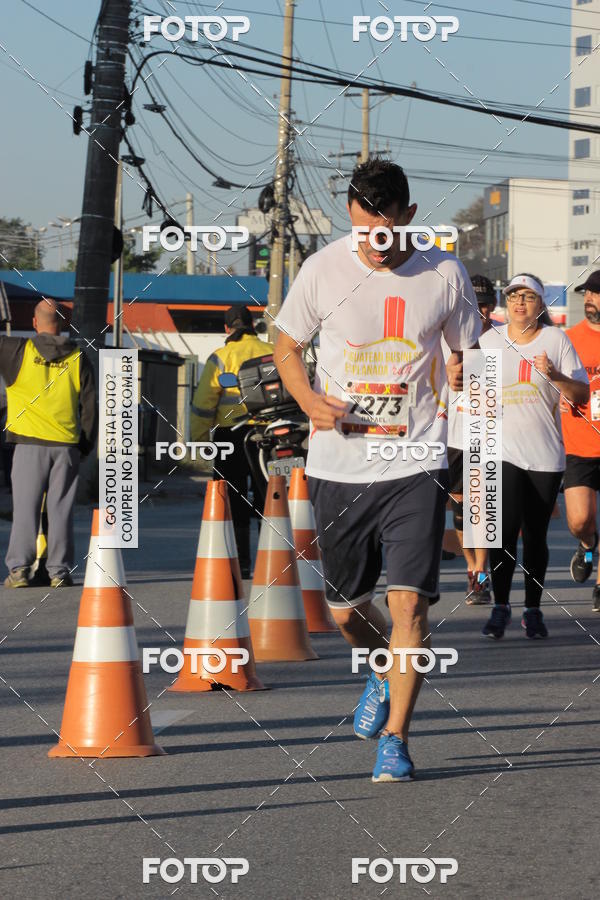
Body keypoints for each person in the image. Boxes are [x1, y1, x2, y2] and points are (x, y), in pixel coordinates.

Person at [273, 157, 481, 782]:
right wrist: (309, 400)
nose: (376, 245)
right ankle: (376, 668)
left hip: (416, 458)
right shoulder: (322, 269)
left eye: (387, 231)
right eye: (365, 231)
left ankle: (396, 739)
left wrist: (466, 377)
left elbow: (466, 350)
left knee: (409, 608)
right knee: (344, 610)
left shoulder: (445, 273)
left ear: (410, 217)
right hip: (339, 463)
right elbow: (286, 345)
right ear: (352, 218)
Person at [479, 274, 589, 639]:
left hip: (544, 454)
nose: (520, 303)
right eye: (513, 296)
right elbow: (473, 400)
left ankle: (532, 609)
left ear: (540, 304)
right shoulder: (489, 341)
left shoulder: (556, 340)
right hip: (502, 452)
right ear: (505, 302)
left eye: (528, 297)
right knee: (503, 531)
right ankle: (499, 606)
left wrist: (555, 374)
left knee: (536, 534)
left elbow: (581, 394)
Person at [0, 298, 97, 588]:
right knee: (61, 510)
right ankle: (59, 571)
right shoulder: (79, 358)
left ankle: (19, 570)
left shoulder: (15, 350)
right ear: (65, 325)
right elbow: (91, 408)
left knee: (25, 509)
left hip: (29, 445)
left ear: (34, 322)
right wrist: (84, 446)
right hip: (66, 446)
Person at [190, 305, 273, 578]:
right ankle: (271, 561)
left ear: (227, 328)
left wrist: (200, 441)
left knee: (233, 499)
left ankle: (241, 563)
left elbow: (203, 403)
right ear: (252, 325)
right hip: (268, 434)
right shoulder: (272, 352)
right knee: (269, 497)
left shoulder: (221, 357)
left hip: (231, 434)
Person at [445, 274, 497, 604]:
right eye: (471, 305)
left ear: (491, 308)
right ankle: (472, 568)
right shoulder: (446, 336)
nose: (478, 311)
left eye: (483, 305)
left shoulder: (503, 340)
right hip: (451, 434)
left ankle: (481, 572)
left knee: (483, 508)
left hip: (489, 435)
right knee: (462, 509)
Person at [561, 271, 600, 611]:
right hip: (579, 445)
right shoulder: (568, 339)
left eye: (596, 293)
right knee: (579, 520)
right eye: (587, 293)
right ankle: (588, 544)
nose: (589, 299)